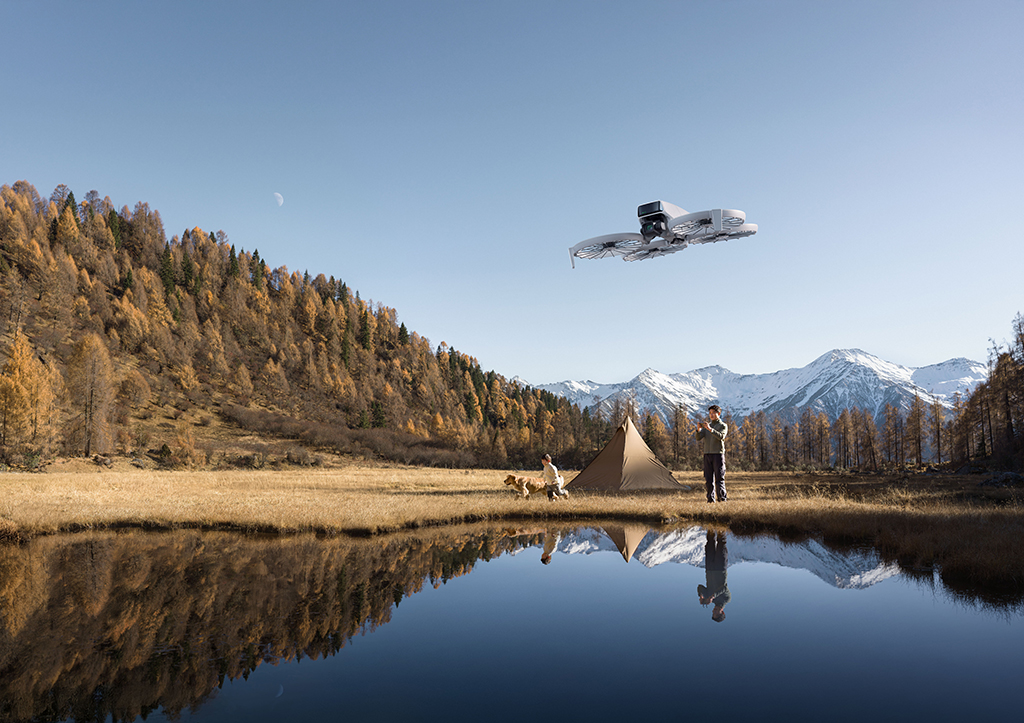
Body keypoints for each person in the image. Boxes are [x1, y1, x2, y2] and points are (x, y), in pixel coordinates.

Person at [695, 404, 728, 502]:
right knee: (708, 479)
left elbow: (721, 436)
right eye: (710, 413)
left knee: (719, 478)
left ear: (719, 413)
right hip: (707, 455)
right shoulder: (706, 426)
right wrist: (699, 430)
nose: (711, 415)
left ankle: (722, 499)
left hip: (718, 454)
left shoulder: (723, 425)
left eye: (713, 413)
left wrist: (710, 429)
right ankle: (710, 499)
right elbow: (698, 438)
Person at [697, 529, 731, 622]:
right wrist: (712, 596)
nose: (714, 611)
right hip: (720, 568)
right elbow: (724, 588)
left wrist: (701, 596)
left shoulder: (708, 599)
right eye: (716, 613)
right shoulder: (727, 599)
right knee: (721, 542)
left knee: (710, 542)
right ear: (722, 612)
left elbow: (700, 587)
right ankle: (721, 522)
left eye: (713, 613)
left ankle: (711, 524)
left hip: (709, 568)